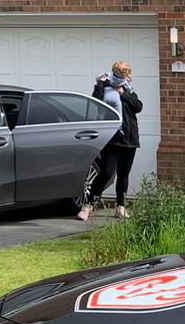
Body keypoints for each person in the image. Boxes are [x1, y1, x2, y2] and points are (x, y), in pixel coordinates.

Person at [79, 61, 143, 220]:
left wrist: (125, 94)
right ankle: (88, 205)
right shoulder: (105, 86)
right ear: (117, 73)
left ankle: (120, 207)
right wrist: (100, 85)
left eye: (128, 74)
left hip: (129, 138)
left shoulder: (128, 89)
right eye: (125, 74)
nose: (127, 77)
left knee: (123, 174)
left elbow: (138, 107)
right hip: (112, 138)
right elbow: (96, 103)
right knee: (106, 173)